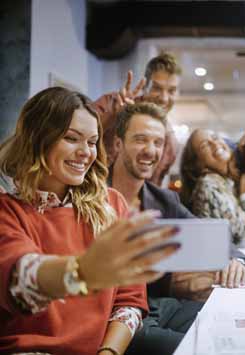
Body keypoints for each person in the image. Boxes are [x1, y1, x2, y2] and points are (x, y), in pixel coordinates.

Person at [0, 87, 180, 355]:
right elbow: (22, 280)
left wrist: (109, 352)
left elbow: (129, 301)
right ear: (37, 139)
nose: (86, 152)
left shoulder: (112, 204)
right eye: (72, 138)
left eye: (92, 141)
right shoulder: (8, 210)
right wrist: (82, 272)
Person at [110, 104, 245, 354]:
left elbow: (220, 244)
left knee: (234, 326)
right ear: (118, 144)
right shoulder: (90, 195)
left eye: (157, 142)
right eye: (140, 140)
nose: (150, 151)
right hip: (114, 315)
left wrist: (235, 262)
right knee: (204, 349)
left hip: (158, 305)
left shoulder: (164, 200)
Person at [94, 52, 180, 186]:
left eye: (171, 91)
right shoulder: (112, 104)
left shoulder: (170, 144)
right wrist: (111, 117)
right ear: (145, 87)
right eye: (157, 88)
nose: (164, 98)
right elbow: (76, 135)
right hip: (88, 192)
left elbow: (150, 189)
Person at [180, 129, 245, 245]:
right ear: (198, 164)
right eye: (204, 146)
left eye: (215, 137)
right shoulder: (209, 185)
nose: (215, 144)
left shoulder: (225, 181)